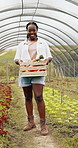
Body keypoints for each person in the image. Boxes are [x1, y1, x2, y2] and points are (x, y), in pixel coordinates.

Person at [14, 22, 52, 136]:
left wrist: (46, 61)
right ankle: (31, 122)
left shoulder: (42, 43)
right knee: (27, 97)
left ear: (37, 30)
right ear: (27, 31)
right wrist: (19, 61)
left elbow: (49, 56)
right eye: (29, 30)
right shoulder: (22, 44)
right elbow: (16, 58)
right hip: (25, 72)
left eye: (33, 30)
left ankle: (43, 125)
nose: (32, 32)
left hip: (38, 72)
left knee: (39, 97)